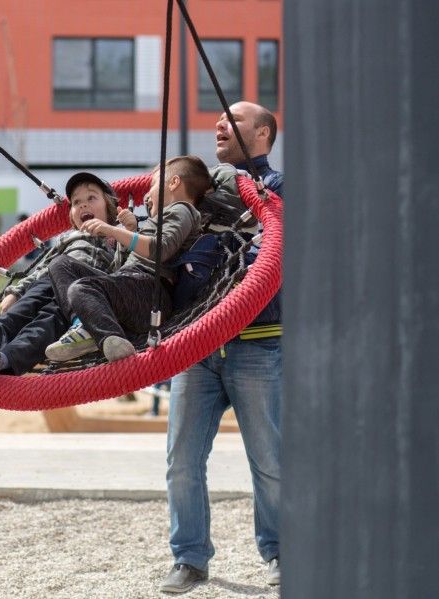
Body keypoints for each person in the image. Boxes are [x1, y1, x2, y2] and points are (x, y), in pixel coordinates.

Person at [159, 101, 284, 594]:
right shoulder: (201, 194)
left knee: (269, 460)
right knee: (181, 460)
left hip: (257, 344)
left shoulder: (278, 191)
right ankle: (189, 559)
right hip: (196, 345)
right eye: (218, 118)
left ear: (263, 134)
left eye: (234, 120)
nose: (218, 125)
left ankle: (281, 551)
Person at [0, 172, 126, 385]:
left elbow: (132, 269)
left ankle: (1, 360)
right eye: (76, 202)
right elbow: (42, 267)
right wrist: (17, 291)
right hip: (48, 281)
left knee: (46, 325)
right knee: (10, 319)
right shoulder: (68, 238)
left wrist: (126, 230)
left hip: (79, 294)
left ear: (109, 207)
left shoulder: (118, 238)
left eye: (91, 198)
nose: (83, 205)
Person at [44, 156, 211, 364]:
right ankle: (83, 325)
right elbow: (120, 269)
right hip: (133, 286)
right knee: (60, 264)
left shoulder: (182, 209)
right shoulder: (160, 219)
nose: (147, 196)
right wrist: (131, 230)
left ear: (174, 183)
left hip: (151, 294)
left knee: (82, 288)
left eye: (153, 185)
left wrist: (112, 230)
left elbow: (160, 249)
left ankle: (110, 339)